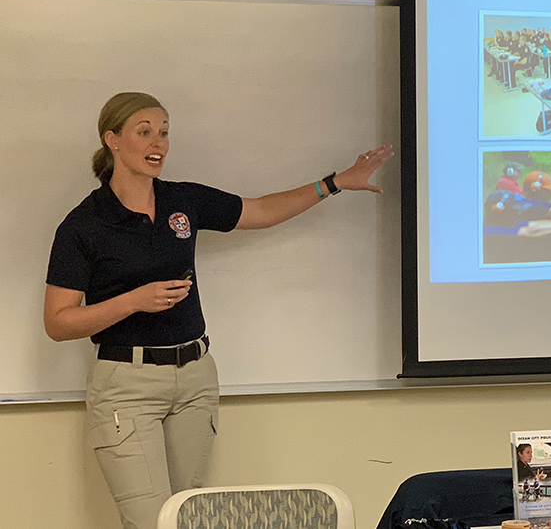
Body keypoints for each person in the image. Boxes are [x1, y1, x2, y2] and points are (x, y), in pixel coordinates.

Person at [43, 92, 393, 529]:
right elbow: (57, 322)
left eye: (165, 132)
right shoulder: (84, 224)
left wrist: (336, 182)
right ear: (112, 140)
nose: (159, 144)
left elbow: (262, 210)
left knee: (188, 517)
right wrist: (134, 301)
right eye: (144, 132)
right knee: (151, 522)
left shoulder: (182, 200)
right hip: (126, 386)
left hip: (194, 379)